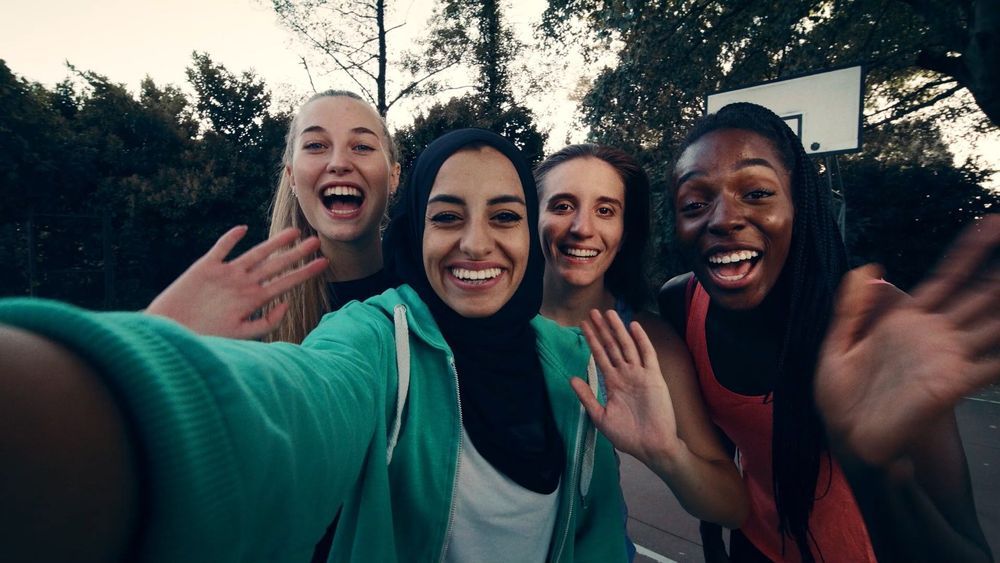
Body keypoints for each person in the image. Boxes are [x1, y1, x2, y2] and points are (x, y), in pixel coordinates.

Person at [0, 129, 630, 563]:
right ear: (413, 231)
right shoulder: (376, 340)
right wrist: (128, 375)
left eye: (504, 215)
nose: (475, 242)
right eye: (445, 216)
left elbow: (599, 536)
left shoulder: (575, 366)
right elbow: (291, 404)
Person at [652, 102, 993, 562]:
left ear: (800, 204)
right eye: (694, 203)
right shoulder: (680, 304)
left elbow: (965, 549)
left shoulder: (877, 323)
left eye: (756, 193)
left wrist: (871, 467)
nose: (722, 218)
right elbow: (718, 460)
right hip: (754, 547)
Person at [533, 144, 748, 539]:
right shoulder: (490, 317)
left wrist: (666, 453)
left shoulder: (648, 341)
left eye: (605, 210)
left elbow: (731, 506)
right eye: (562, 205)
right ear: (533, 216)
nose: (582, 227)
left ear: (625, 229)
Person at [146, 89, 401, 342]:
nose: (338, 163)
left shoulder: (431, 292)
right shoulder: (251, 311)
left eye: (362, 146)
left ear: (393, 176)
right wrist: (155, 336)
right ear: (291, 176)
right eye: (315, 145)